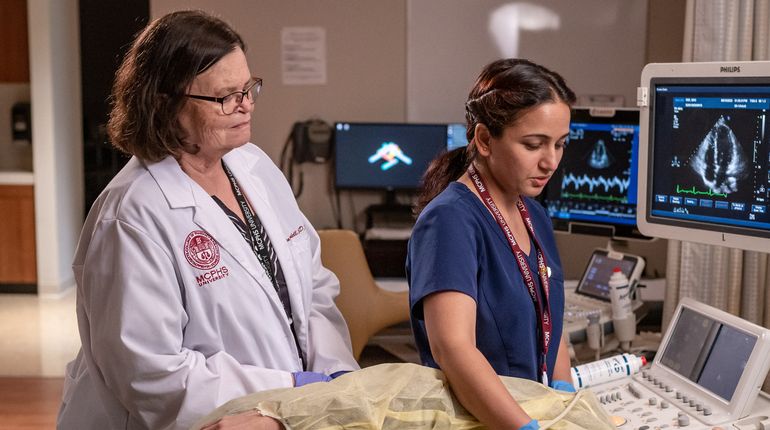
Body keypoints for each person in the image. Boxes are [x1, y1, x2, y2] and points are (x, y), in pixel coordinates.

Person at [57, 10, 357, 430]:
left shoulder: (254, 167)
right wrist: (292, 385)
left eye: (249, 88)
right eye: (225, 96)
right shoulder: (132, 215)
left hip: (282, 412)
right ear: (165, 104)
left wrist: (335, 377)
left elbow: (314, 290)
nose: (246, 105)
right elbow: (150, 373)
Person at [407, 58, 576, 430]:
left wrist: (564, 398)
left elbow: (549, 315)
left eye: (560, 144)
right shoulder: (449, 220)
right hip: (481, 420)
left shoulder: (535, 216)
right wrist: (523, 427)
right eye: (534, 145)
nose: (551, 161)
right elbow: (453, 350)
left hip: (534, 411)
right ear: (484, 139)